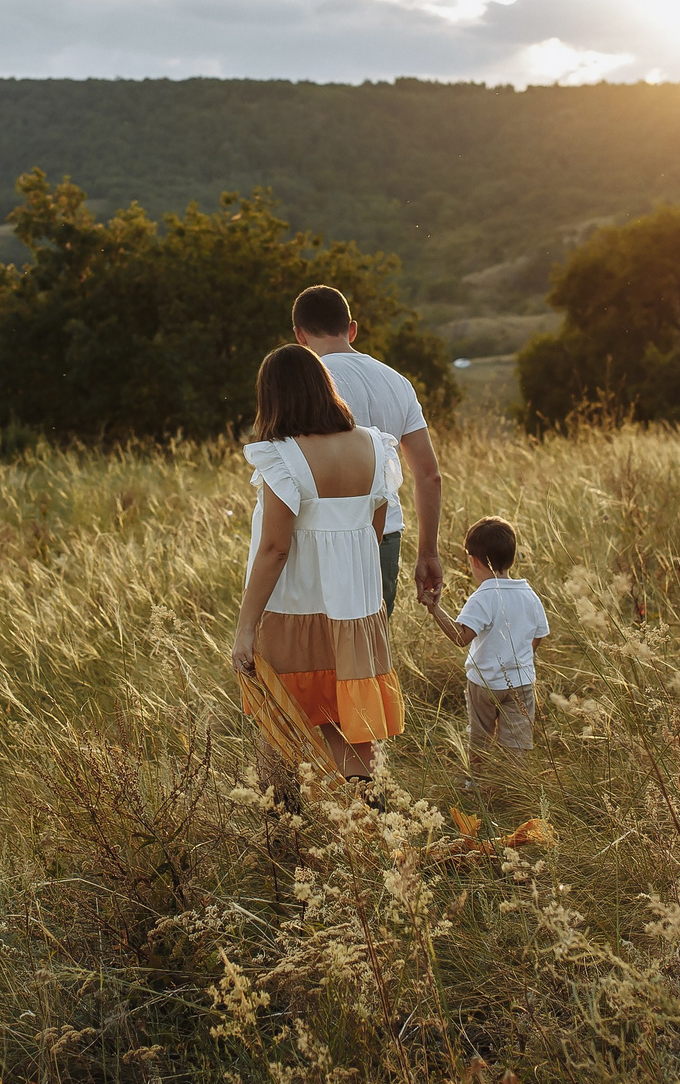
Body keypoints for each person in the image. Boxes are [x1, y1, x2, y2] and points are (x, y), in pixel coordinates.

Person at [230, 343, 406, 780]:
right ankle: (368, 811)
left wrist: (245, 627)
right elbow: (373, 532)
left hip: (294, 607)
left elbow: (275, 548)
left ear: (273, 397)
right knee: (353, 723)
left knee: (280, 719)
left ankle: (282, 814)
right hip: (357, 609)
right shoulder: (375, 446)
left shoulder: (283, 455)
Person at [290, 285, 442, 612]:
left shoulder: (307, 386)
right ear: (352, 329)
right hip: (386, 536)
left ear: (300, 335)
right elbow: (429, 476)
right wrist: (428, 553)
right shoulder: (398, 382)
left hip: (327, 536)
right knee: (374, 639)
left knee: (323, 641)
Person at [421, 516, 548, 781]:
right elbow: (538, 635)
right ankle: (514, 787)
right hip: (522, 683)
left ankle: (475, 782)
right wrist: (521, 659)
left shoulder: (483, 597)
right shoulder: (529, 594)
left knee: (480, 738)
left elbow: (461, 637)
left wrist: (435, 610)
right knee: (517, 744)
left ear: (474, 561)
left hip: (484, 684)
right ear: (512, 559)